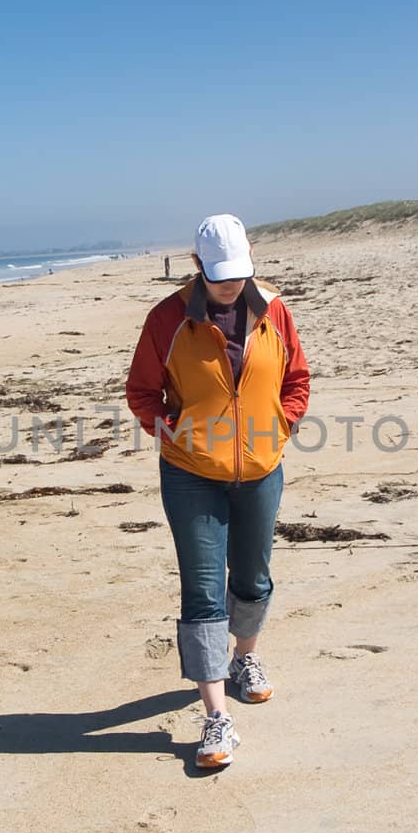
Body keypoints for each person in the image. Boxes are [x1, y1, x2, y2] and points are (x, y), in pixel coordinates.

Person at [125, 213, 310, 768]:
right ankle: (215, 718)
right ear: (197, 266)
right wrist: (174, 433)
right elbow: (142, 392)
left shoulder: (273, 309)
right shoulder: (167, 319)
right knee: (203, 590)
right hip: (190, 475)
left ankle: (245, 658)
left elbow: (296, 378)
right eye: (220, 275)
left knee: (252, 575)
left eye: (239, 273)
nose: (231, 284)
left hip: (260, 466)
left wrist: (283, 423)